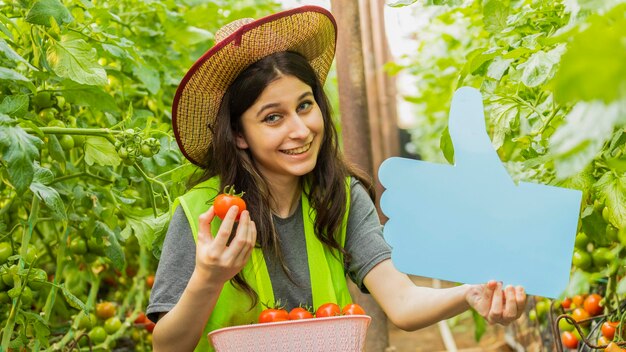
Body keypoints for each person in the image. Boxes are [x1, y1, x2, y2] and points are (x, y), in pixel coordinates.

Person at [147, 5, 527, 352]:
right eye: (273, 118)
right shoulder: (204, 213)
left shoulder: (339, 196)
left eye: (305, 105)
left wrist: (471, 294)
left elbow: (402, 303)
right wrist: (209, 277)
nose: (301, 130)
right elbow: (166, 347)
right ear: (239, 135)